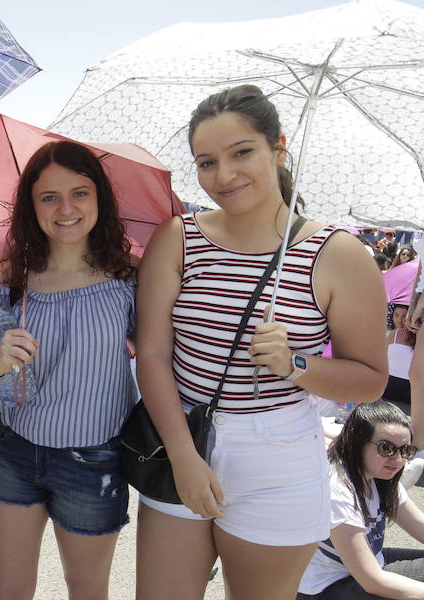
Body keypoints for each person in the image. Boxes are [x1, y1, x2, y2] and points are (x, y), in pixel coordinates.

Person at [135, 84, 388, 600]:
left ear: (279, 146)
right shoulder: (177, 237)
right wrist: (183, 456)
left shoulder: (339, 254)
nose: (223, 176)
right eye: (206, 162)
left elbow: (370, 380)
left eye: (241, 152)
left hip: (279, 457)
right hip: (180, 436)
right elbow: (155, 354)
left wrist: (296, 363)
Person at [0, 140, 137, 600]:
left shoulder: (130, 278)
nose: (66, 208)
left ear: (98, 197)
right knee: (10, 592)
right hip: (14, 453)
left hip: (96, 460)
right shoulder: (6, 283)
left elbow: (161, 357)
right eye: (49, 197)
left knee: (87, 591)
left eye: (79, 193)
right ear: (32, 206)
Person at [298, 400, 424, 599]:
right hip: (327, 588)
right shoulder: (337, 490)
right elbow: (371, 580)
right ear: (357, 442)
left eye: (405, 450)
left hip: (368, 569)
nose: (398, 459)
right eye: (386, 448)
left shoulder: (381, 477)